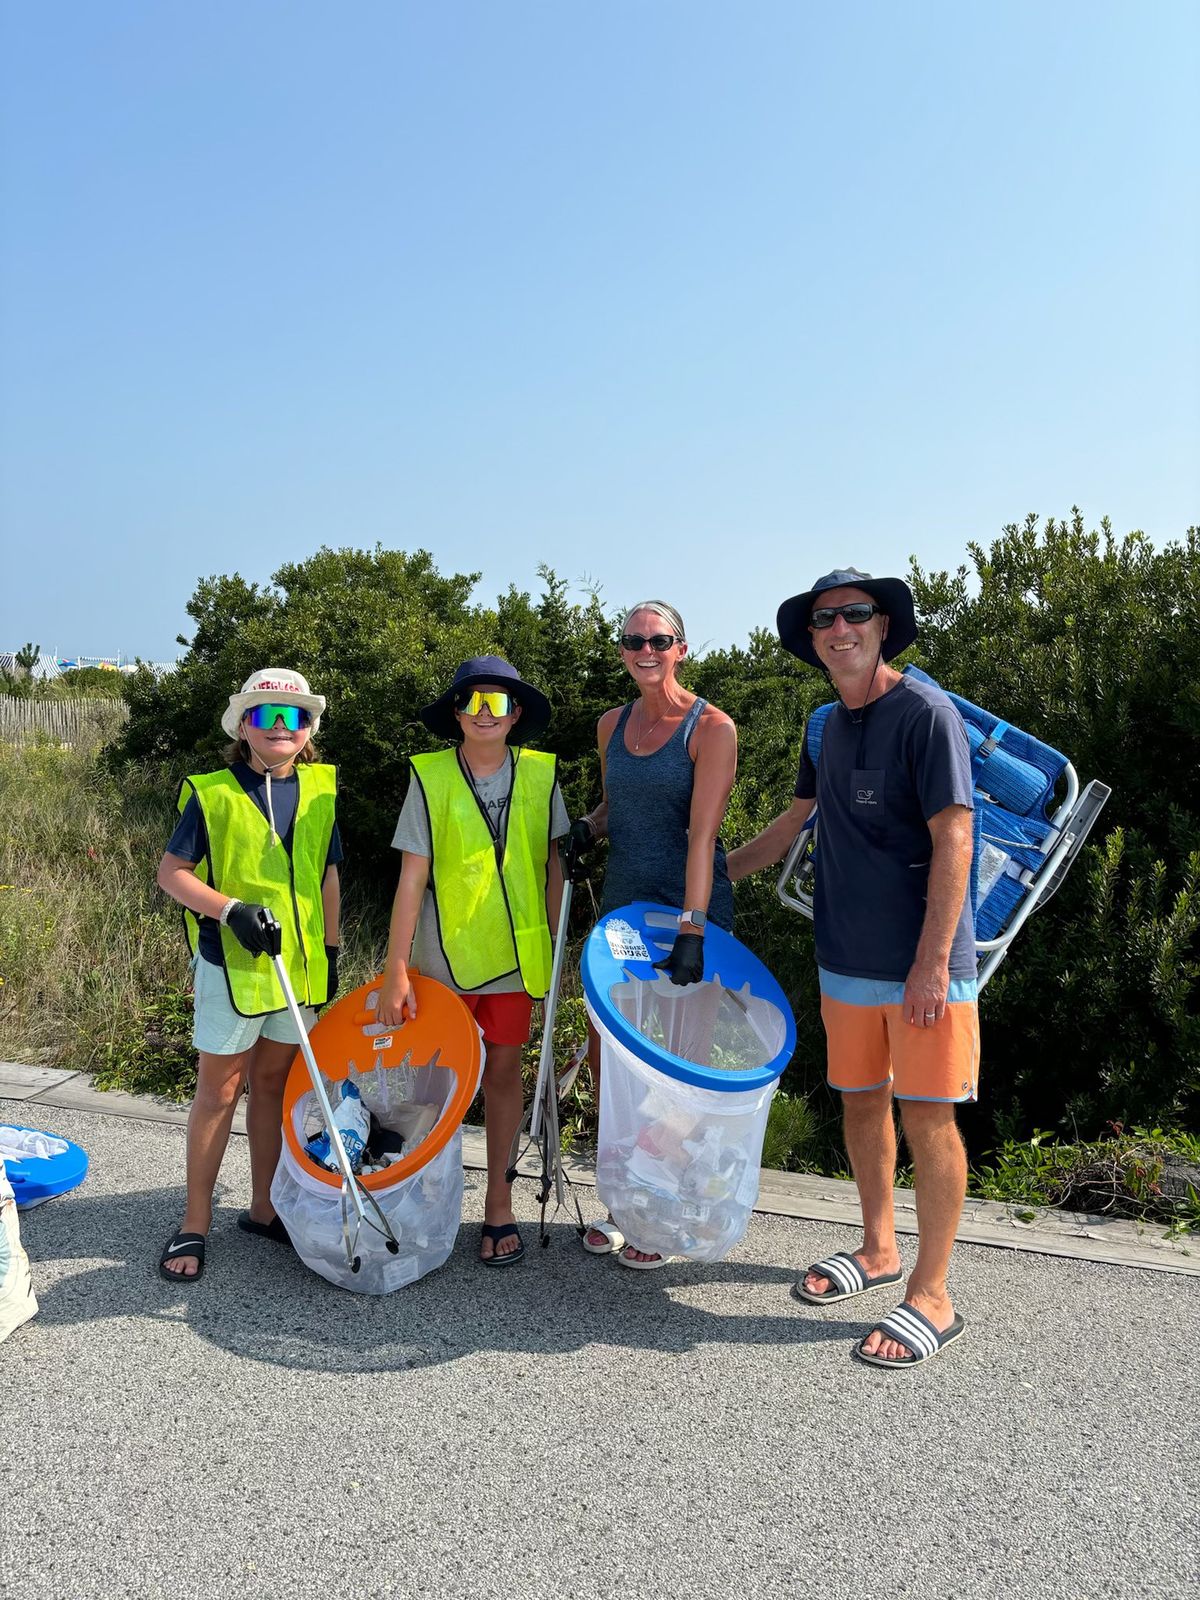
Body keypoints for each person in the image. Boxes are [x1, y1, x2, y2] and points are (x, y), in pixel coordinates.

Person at [726, 570, 977, 1368]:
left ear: (882, 625)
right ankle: (878, 1249)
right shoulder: (823, 724)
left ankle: (932, 1295)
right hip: (843, 956)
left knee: (929, 1118)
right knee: (862, 1104)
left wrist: (933, 964)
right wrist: (708, 878)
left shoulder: (927, 715)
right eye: (824, 620)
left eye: (855, 615)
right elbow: (795, 821)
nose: (840, 628)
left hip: (922, 969)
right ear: (812, 640)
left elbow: (956, 840)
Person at [376, 656, 567, 1267]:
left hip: (516, 960)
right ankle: (427, 1204)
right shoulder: (429, 777)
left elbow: (554, 867)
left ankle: (498, 1206)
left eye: (500, 703)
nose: (486, 715)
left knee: (504, 1075)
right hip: (442, 960)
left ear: (516, 716)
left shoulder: (542, 774)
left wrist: (560, 943)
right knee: (433, 1084)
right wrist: (395, 970)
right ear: (456, 712)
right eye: (474, 702)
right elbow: (411, 879)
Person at [156, 669, 342, 1283]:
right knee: (219, 1091)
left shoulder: (321, 790)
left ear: (310, 730)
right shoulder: (212, 793)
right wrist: (230, 910)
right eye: (267, 716)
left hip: (299, 971)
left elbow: (327, 876)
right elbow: (172, 874)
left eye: (296, 718)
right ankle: (195, 1221)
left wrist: (333, 948)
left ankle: (264, 1209)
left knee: (273, 1088)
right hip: (231, 966)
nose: (283, 728)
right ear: (244, 726)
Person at [568, 602, 738, 1268]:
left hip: (688, 911)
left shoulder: (712, 728)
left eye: (659, 640)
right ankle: (624, 1201)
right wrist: (587, 826)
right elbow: (619, 809)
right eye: (634, 641)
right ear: (622, 650)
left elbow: (702, 835)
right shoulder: (611, 724)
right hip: (623, 914)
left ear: (681, 648)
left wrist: (693, 929)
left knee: (678, 1063)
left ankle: (664, 1208)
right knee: (618, 1057)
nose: (646, 649)